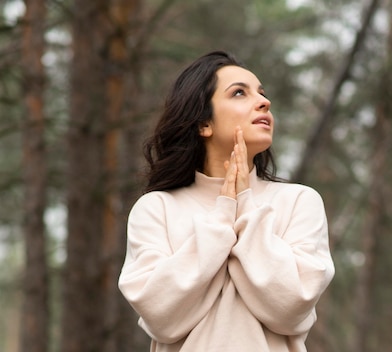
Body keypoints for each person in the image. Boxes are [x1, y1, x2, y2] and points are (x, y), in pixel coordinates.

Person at [118, 51, 335, 352]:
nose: (264, 102)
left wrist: (245, 205)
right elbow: (161, 316)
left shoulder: (299, 202)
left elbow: (291, 306)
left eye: (262, 93)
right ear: (203, 123)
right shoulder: (157, 209)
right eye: (239, 93)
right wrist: (222, 218)